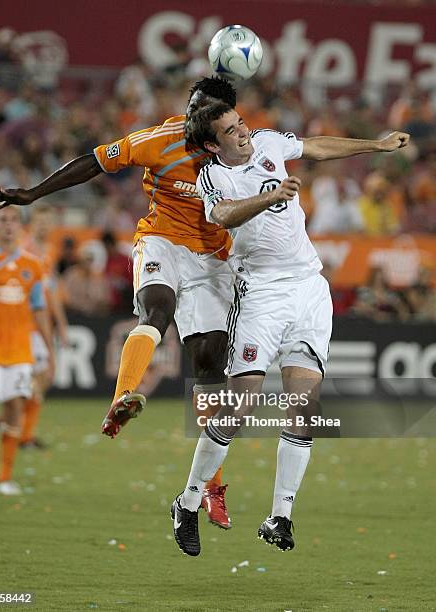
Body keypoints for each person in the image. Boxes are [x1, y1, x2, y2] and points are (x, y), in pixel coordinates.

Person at [0, 77, 238, 528]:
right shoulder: (160, 139)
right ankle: (122, 398)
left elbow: (300, 153)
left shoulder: (240, 150)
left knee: (209, 366)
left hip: (212, 260)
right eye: (193, 108)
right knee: (156, 312)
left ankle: (211, 486)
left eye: (206, 114)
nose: (194, 119)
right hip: (160, 242)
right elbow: (94, 162)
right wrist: (33, 193)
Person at [170, 101, 409, 556]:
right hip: (261, 293)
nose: (242, 133)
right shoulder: (212, 176)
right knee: (241, 405)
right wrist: (271, 196)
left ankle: (280, 515)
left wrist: (374, 146)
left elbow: (316, 145)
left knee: (303, 407)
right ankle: (187, 501)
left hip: (308, 289)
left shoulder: (267, 142)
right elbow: (222, 217)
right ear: (211, 143)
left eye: (240, 124)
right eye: (229, 131)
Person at [0, 206, 53, 494]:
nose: (8, 225)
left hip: (20, 350)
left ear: (20, 225)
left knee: (15, 409)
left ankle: (4, 478)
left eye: (13, 220)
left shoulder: (32, 264)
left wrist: (48, 346)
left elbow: (39, 307)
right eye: (2, 220)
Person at [20, 205, 68, 449]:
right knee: (37, 378)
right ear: (32, 224)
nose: (44, 226)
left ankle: (21, 429)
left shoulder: (49, 251)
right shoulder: (23, 251)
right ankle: (22, 432)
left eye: (48, 222)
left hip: (43, 325)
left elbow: (52, 293)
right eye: (40, 222)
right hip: (25, 325)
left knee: (43, 378)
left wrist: (61, 325)